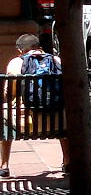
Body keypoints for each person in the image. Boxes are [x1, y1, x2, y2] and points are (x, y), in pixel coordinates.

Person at [1, 34, 69, 178]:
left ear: (20, 51)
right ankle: (67, 160)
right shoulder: (57, 60)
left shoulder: (15, 63)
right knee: (64, 112)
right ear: (40, 48)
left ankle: (4, 165)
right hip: (58, 122)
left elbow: (9, 93)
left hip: (27, 124)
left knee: (4, 114)